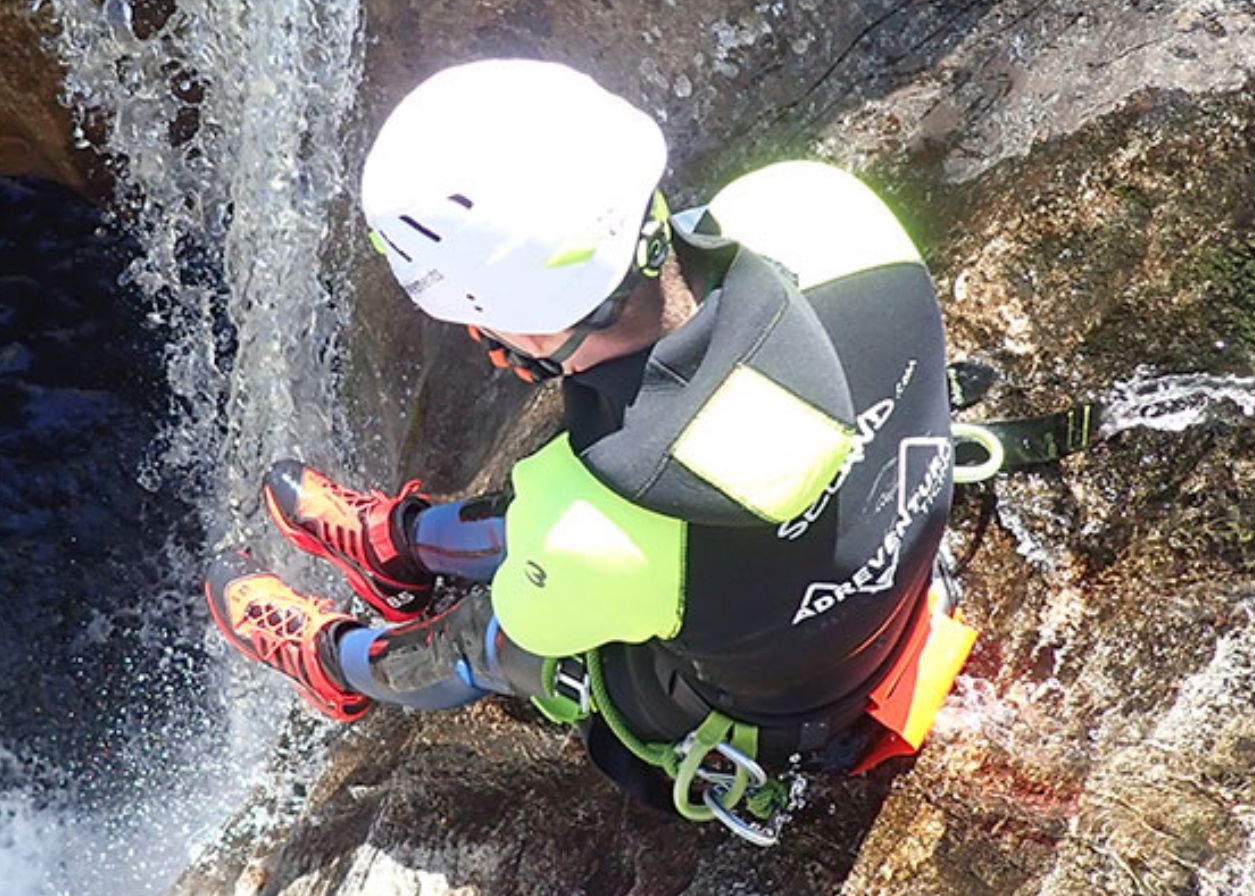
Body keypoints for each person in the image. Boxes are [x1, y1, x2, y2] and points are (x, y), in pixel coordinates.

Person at [205, 58, 976, 842]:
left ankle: (342, 662)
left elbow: (543, 603)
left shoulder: (590, 523)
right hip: (895, 567)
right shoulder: (816, 206)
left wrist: (565, 548)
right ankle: (403, 548)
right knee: (597, 525)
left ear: (528, 332)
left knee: (496, 639)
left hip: (780, 717)